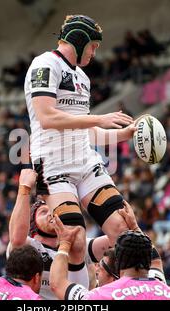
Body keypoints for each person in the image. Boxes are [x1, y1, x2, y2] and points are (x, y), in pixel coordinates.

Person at [24, 14, 137, 247]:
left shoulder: (83, 78)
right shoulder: (44, 64)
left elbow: (86, 131)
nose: (94, 53)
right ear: (79, 40)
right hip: (53, 165)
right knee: (74, 238)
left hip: (85, 161)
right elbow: (46, 117)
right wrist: (99, 118)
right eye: (93, 46)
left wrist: (124, 134)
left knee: (123, 227)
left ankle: (143, 282)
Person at [8, 168, 140, 299]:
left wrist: (132, 226)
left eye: (53, 209)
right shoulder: (28, 246)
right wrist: (24, 190)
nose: (51, 213)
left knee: (80, 243)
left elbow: (120, 239)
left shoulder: (80, 242)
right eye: (43, 212)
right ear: (32, 222)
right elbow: (16, 239)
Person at [49, 217, 170, 300]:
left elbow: (57, 284)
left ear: (118, 262)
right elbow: (156, 260)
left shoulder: (102, 295)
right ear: (147, 262)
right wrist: (134, 226)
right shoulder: (169, 293)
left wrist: (64, 244)